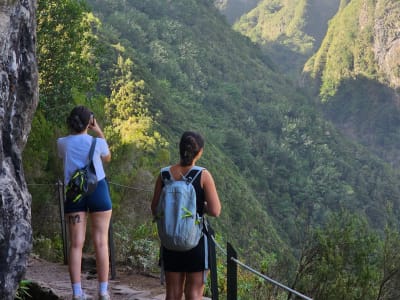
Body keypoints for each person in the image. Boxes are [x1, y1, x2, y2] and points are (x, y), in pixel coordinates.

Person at [151, 131, 222, 300]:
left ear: (180, 149)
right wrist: (201, 208)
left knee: (173, 293)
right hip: (195, 241)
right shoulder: (203, 175)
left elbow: (155, 208)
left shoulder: (164, 175)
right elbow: (215, 210)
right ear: (200, 152)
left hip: (169, 242)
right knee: (194, 293)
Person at [57, 106, 112, 300]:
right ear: (89, 121)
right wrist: (97, 130)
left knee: (76, 245)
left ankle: (77, 293)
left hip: (74, 193)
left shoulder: (62, 143)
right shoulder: (97, 142)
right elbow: (108, 157)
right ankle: (103, 291)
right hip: (98, 189)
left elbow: (65, 158)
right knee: (101, 243)